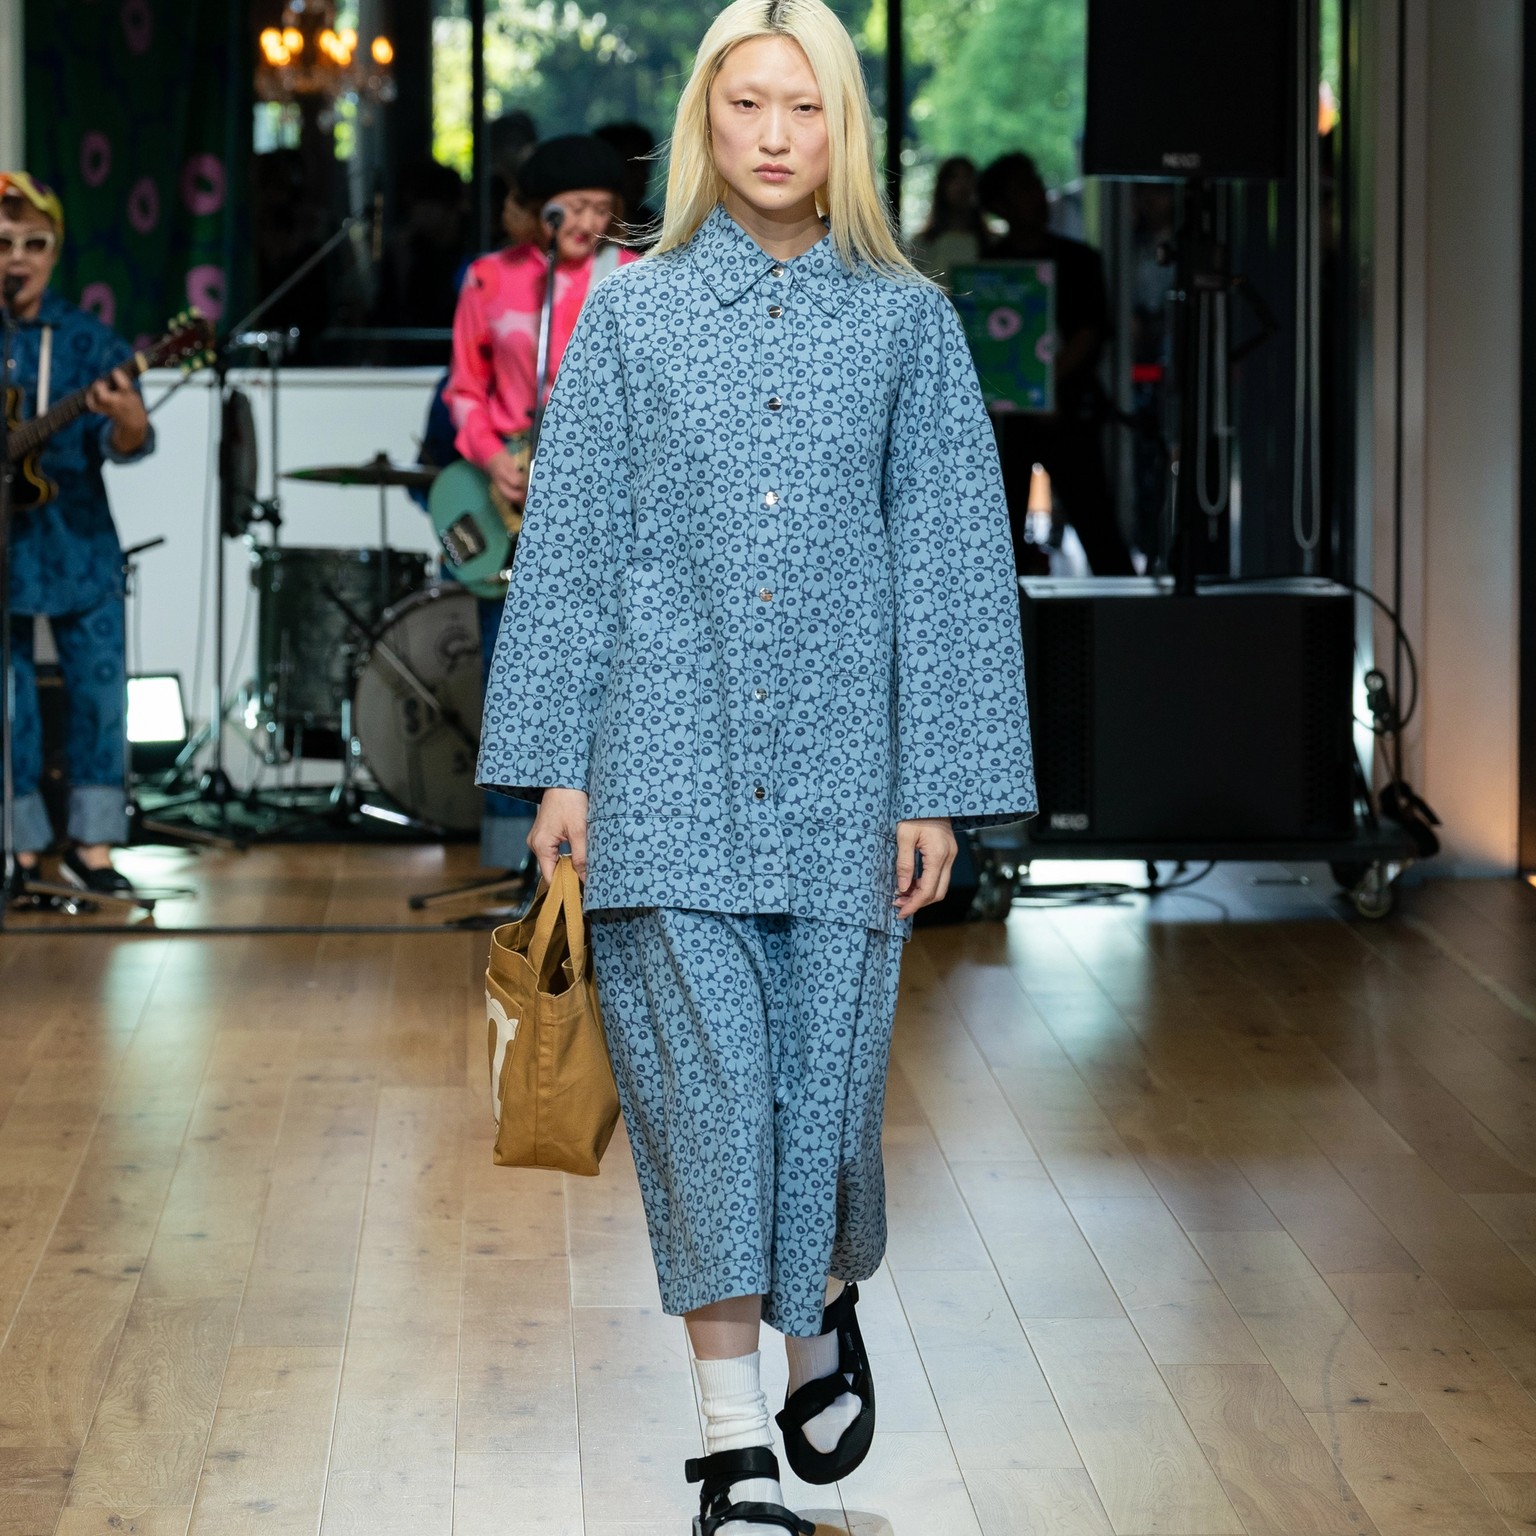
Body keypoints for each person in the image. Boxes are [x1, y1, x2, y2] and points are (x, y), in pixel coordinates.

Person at [476, 4, 1036, 1531]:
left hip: (855, 779)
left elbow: (953, 568)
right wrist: (553, 769)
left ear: (842, 129)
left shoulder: (913, 323)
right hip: (661, 761)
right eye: (746, 106)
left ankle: (819, 1305)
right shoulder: (635, 317)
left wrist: (940, 784)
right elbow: (573, 554)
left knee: (825, 1095)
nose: (776, 135)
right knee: (708, 1101)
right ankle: (731, 1445)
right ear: (704, 125)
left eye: (803, 107)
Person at [443, 135, 637, 874]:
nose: (588, 223)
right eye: (573, 208)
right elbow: (463, 388)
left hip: (602, 512)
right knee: (509, 677)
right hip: (509, 507)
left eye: (602, 208)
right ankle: (507, 869)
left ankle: (602, 856)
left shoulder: (635, 280)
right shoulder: (489, 281)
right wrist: (494, 457)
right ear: (535, 212)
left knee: (607, 675)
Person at [0, 173, 155, 901]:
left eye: (34, 244)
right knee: (10, 701)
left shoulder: (92, 341)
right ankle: (24, 853)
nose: (18, 259)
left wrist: (128, 421)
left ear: (55, 253)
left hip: (79, 539)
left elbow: (127, 441)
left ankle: (94, 848)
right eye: (4, 245)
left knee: (99, 692)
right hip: (8, 548)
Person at [979, 150, 1136, 576]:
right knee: (998, 536)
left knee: (1097, 527)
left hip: (1068, 411)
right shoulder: (986, 267)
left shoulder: (1080, 260)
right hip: (1009, 422)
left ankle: (1121, 628)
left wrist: (1043, 388)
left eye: (1036, 185)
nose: (1037, 197)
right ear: (1000, 205)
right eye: (1022, 189)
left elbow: (1090, 333)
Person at [910, 155, 987, 292]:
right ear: (942, 187)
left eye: (968, 177)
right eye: (954, 178)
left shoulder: (991, 243)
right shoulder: (920, 244)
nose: (962, 185)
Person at [594, 120, 663, 240]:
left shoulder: (659, 231)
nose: (640, 176)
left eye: (644, 166)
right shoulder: (585, 230)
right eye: (630, 166)